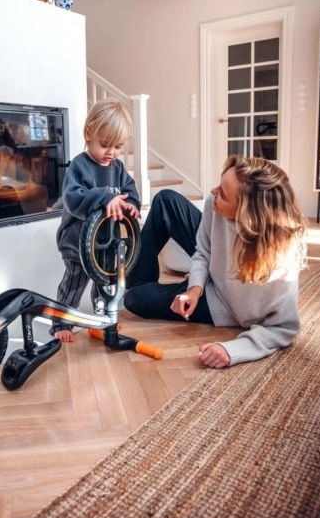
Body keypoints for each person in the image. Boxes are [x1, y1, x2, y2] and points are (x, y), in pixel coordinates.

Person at [125, 155, 307, 368]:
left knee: (135, 300)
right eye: (219, 185)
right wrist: (194, 288)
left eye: (223, 193)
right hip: (215, 276)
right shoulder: (215, 204)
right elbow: (203, 251)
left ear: (247, 213)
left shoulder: (281, 265)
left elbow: (283, 329)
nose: (213, 193)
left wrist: (231, 350)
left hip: (222, 301)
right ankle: (136, 280)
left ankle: (143, 288)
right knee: (166, 199)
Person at [52, 98, 141, 343]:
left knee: (105, 282)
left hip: (106, 241)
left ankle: (101, 317)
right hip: (76, 243)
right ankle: (62, 323)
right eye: (105, 145)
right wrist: (107, 197)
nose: (112, 153)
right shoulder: (79, 167)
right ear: (88, 134)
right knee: (74, 284)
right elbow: (73, 199)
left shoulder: (118, 168)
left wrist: (131, 206)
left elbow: (130, 193)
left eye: (118, 146)